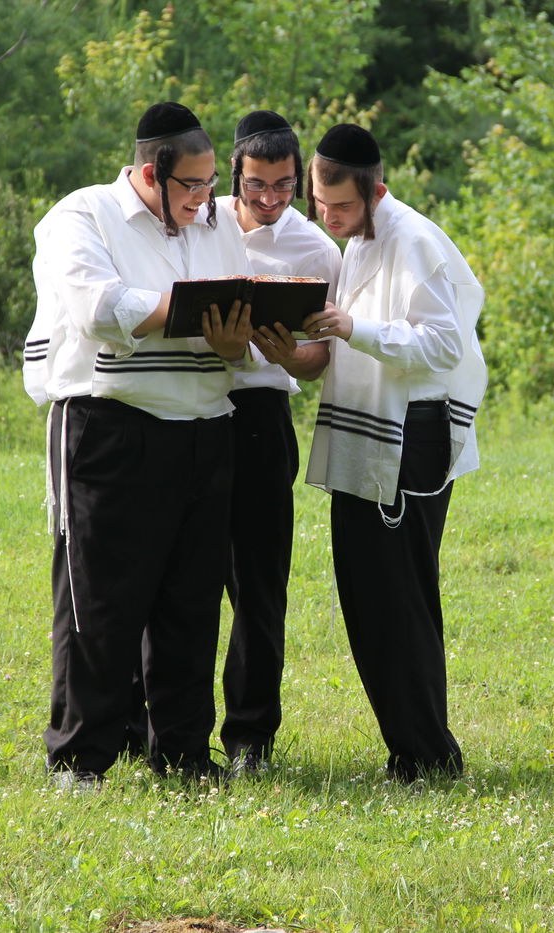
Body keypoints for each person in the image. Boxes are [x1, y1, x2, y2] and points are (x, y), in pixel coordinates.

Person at [21, 101, 254, 788]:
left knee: (190, 603)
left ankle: (182, 753)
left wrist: (239, 332)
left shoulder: (214, 225)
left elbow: (234, 312)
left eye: (212, 184)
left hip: (206, 430)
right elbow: (101, 306)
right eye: (191, 185)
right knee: (100, 602)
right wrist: (197, 315)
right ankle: (80, 757)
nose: (205, 199)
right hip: (111, 429)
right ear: (152, 171)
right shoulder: (80, 216)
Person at [299, 123, 487, 782]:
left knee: (399, 600)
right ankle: (412, 749)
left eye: (343, 207)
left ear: (377, 189)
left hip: (411, 437)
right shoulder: (361, 239)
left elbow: (443, 344)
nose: (332, 218)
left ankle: (429, 754)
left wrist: (356, 327)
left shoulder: (413, 239)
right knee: (368, 598)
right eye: (321, 207)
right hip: (371, 433)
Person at [216, 110, 341, 776]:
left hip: (263, 414)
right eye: (258, 185)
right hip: (190, 409)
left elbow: (321, 359)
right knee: (177, 580)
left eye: (284, 186)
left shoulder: (315, 249)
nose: (270, 200)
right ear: (234, 173)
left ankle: (250, 741)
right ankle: (162, 730)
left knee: (260, 587)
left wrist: (289, 357)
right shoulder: (196, 222)